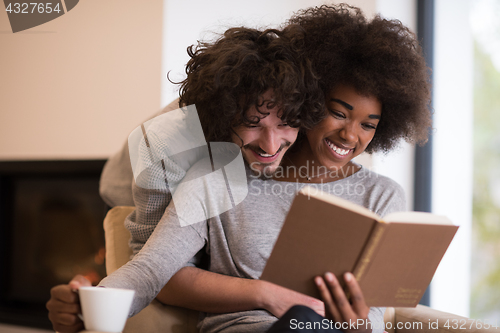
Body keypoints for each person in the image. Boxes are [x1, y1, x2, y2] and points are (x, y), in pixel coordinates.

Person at [47, 4, 432, 333]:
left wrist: (359, 321)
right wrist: (87, 302)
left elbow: (376, 321)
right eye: (337, 113)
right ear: (314, 102)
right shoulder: (215, 175)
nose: (351, 135)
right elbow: (151, 268)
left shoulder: (382, 195)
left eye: (369, 123)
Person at [46, 25, 324, 333]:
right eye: (251, 124)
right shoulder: (168, 148)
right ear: (226, 117)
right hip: (123, 183)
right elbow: (152, 267)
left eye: (285, 123)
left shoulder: (304, 132)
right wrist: (88, 303)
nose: (271, 146)